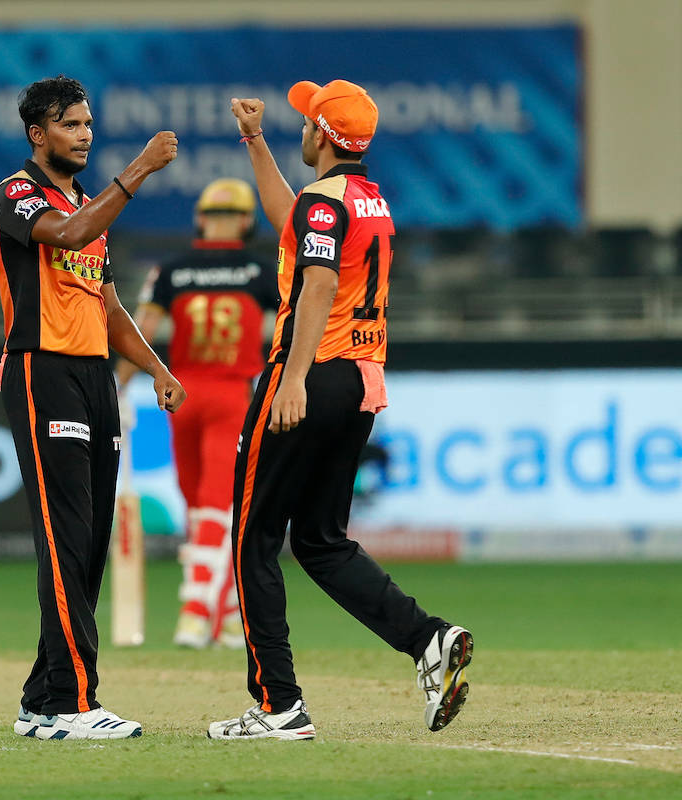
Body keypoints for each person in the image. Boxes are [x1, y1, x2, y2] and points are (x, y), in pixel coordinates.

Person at [206, 80, 473, 740]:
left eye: (304, 123)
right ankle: (428, 640)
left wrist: (292, 378)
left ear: (322, 135)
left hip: (310, 375)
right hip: (360, 380)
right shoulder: (361, 199)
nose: (300, 130)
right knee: (320, 541)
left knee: (253, 541)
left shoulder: (322, 206)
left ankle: (279, 707)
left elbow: (318, 280)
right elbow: (291, 223)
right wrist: (255, 140)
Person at [0, 75, 185, 741]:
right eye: (70, 125)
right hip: (41, 371)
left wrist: (156, 368)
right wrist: (140, 171)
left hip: (96, 377)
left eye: (88, 124)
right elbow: (68, 235)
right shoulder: (18, 195)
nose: (84, 135)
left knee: (92, 542)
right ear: (38, 133)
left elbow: (107, 306)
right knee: (65, 538)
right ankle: (73, 702)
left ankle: (42, 699)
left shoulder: (86, 204)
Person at [115, 178, 278, 649]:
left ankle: (220, 611)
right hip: (232, 394)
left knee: (198, 506)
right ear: (248, 221)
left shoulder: (170, 270)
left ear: (200, 218)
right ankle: (198, 611)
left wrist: (118, 386)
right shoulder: (259, 271)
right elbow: (292, 322)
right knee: (217, 506)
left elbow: (140, 331)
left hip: (180, 396)